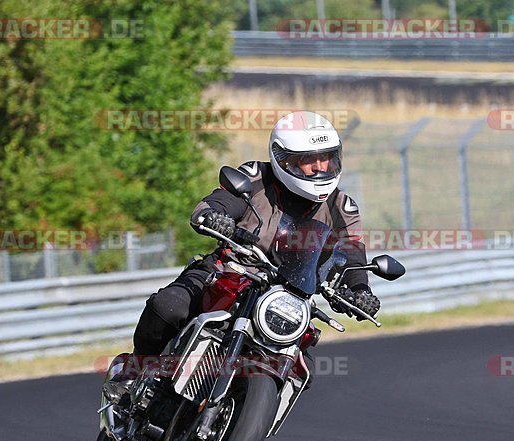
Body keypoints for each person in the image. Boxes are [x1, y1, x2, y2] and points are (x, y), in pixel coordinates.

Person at [132, 110, 380, 357]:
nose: (319, 167)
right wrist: (214, 217)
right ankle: (136, 370)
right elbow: (216, 203)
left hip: (288, 298)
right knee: (168, 305)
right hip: (229, 272)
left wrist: (361, 291)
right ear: (284, 160)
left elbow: (351, 252)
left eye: (326, 158)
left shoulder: (341, 207)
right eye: (308, 159)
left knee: (301, 364)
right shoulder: (255, 177)